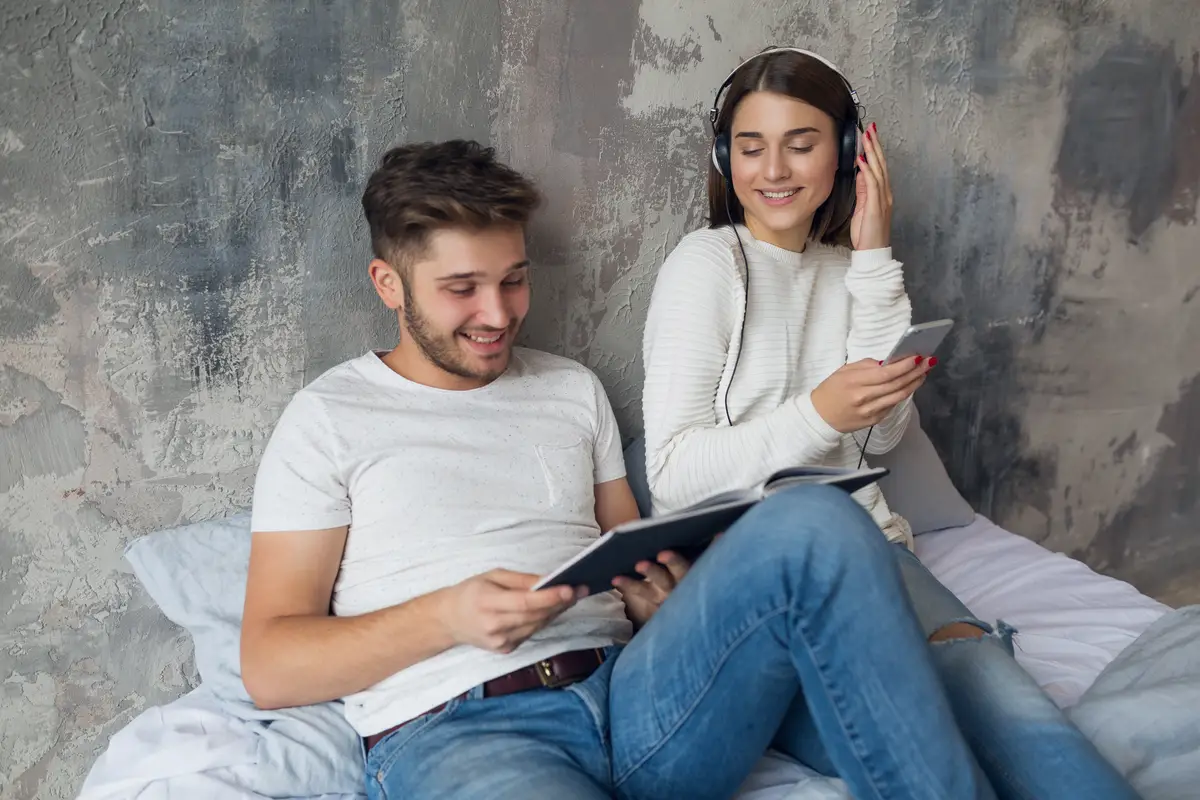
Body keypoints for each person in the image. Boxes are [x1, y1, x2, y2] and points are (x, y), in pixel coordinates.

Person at [239, 138, 1001, 800]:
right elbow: (270, 666)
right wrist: (446, 615)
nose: (499, 313)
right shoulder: (329, 417)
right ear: (388, 285)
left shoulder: (572, 389)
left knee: (814, 515)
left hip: (639, 695)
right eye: (461, 289)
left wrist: (654, 594)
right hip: (467, 731)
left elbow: (631, 546)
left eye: (513, 278)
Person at [641, 47, 1139, 800]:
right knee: (925, 735)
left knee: (1016, 712)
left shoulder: (849, 272)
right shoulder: (706, 266)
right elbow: (673, 474)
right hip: (762, 573)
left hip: (881, 554)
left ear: (845, 153)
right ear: (725, 157)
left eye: (801, 144)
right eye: (751, 147)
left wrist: (875, 257)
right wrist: (817, 414)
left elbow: (876, 442)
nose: (773, 169)